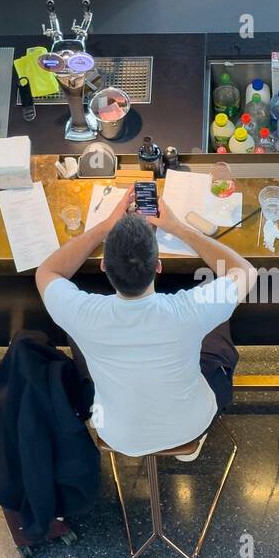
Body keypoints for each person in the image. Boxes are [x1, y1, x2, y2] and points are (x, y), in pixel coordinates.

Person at [35, 185, 257, 458]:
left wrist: (106, 226)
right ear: (158, 266)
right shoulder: (190, 310)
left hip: (116, 434)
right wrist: (179, 228)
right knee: (218, 326)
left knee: (77, 340)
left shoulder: (82, 313)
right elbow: (244, 271)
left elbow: (48, 271)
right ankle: (187, 446)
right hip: (192, 424)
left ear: (104, 265)